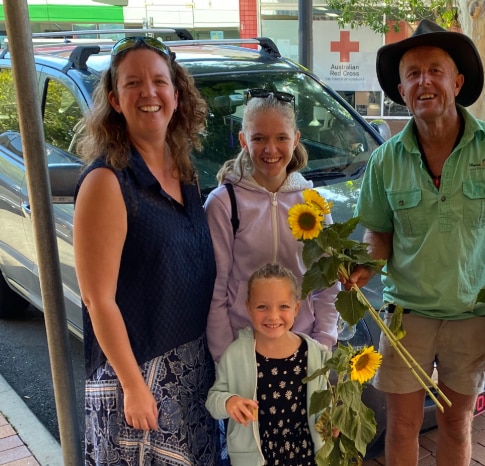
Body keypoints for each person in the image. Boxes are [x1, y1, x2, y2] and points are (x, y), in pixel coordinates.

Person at [346, 19, 485, 466]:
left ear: (456, 82)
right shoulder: (384, 161)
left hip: (472, 315)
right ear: (401, 89)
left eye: (435, 70)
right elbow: (378, 232)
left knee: (457, 424)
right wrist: (363, 269)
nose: (424, 82)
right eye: (413, 73)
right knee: (402, 426)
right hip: (406, 319)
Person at [74, 36, 220, 464]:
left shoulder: (185, 173)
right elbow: (96, 300)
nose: (149, 93)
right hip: (137, 380)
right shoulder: (108, 182)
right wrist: (134, 387)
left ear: (176, 95)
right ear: (116, 99)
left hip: (193, 371)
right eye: (133, 83)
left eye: (159, 81)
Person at [204, 89, 339, 363]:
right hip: (243, 351)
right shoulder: (224, 204)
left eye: (281, 138)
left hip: (304, 348)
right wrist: (226, 359)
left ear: (296, 139)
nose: (270, 149)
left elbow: (328, 284)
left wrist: (323, 346)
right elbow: (215, 291)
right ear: (243, 140)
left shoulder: (313, 205)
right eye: (259, 138)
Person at [206, 263, 331, 465]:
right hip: (257, 458)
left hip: (305, 456)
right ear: (248, 307)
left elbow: (324, 402)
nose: (273, 316)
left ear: (296, 308)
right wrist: (229, 402)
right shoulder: (235, 354)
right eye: (262, 306)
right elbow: (213, 400)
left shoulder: (314, 353)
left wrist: (331, 422)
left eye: (283, 306)